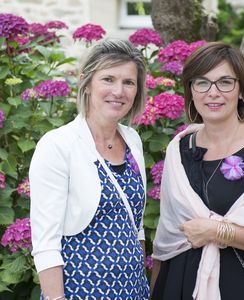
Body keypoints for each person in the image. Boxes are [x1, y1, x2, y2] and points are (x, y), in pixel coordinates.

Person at [151, 42, 244, 300]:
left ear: (241, 89)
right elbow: (167, 238)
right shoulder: (179, 148)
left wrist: (215, 231)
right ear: (191, 90)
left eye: (225, 82)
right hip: (180, 283)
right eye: (202, 83)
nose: (213, 93)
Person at [30, 38, 149, 300]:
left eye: (128, 82)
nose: (119, 91)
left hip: (133, 291)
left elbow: (135, 227)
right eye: (108, 79)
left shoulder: (133, 141)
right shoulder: (58, 145)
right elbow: (45, 243)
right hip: (79, 292)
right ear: (86, 82)